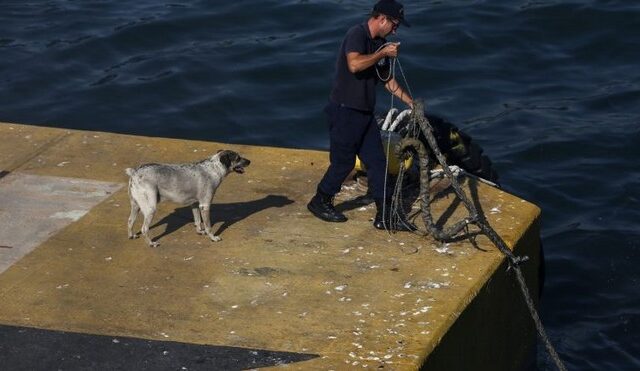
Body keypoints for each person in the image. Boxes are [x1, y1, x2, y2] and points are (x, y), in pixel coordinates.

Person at [308, 0, 416, 232]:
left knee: (377, 163)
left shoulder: (381, 43)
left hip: (365, 114)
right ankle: (320, 201)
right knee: (343, 163)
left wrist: (410, 102)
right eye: (395, 24)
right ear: (382, 19)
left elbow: (386, 80)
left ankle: (385, 216)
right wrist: (381, 53)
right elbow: (355, 64)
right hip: (345, 111)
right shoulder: (357, 34)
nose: (395, 30)